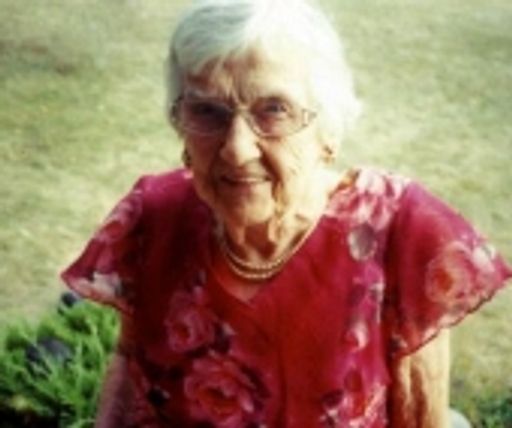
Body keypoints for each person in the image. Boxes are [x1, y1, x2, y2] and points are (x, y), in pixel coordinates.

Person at [61, 0, 511, 427]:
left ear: (327, 131)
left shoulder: (400, 231)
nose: (237, 150)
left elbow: (420, 417)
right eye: (208, 112)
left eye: (274, 110)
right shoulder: (155, 217)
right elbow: (130, 366)